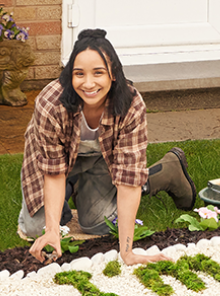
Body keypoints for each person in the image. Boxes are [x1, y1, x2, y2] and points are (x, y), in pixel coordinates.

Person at [18, 28, 196, 266]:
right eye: (79, 73)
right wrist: (51, 230)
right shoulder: (51, 102)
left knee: (97, 224)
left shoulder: (130, 105)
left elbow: (128, 179)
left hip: (100, 160)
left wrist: (127, 252)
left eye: (98, 73)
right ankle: (68, 194)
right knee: (35, 229)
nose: (88, 83)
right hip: (53, 163)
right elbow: (53, 171)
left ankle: (165, 172)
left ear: (113, 73)